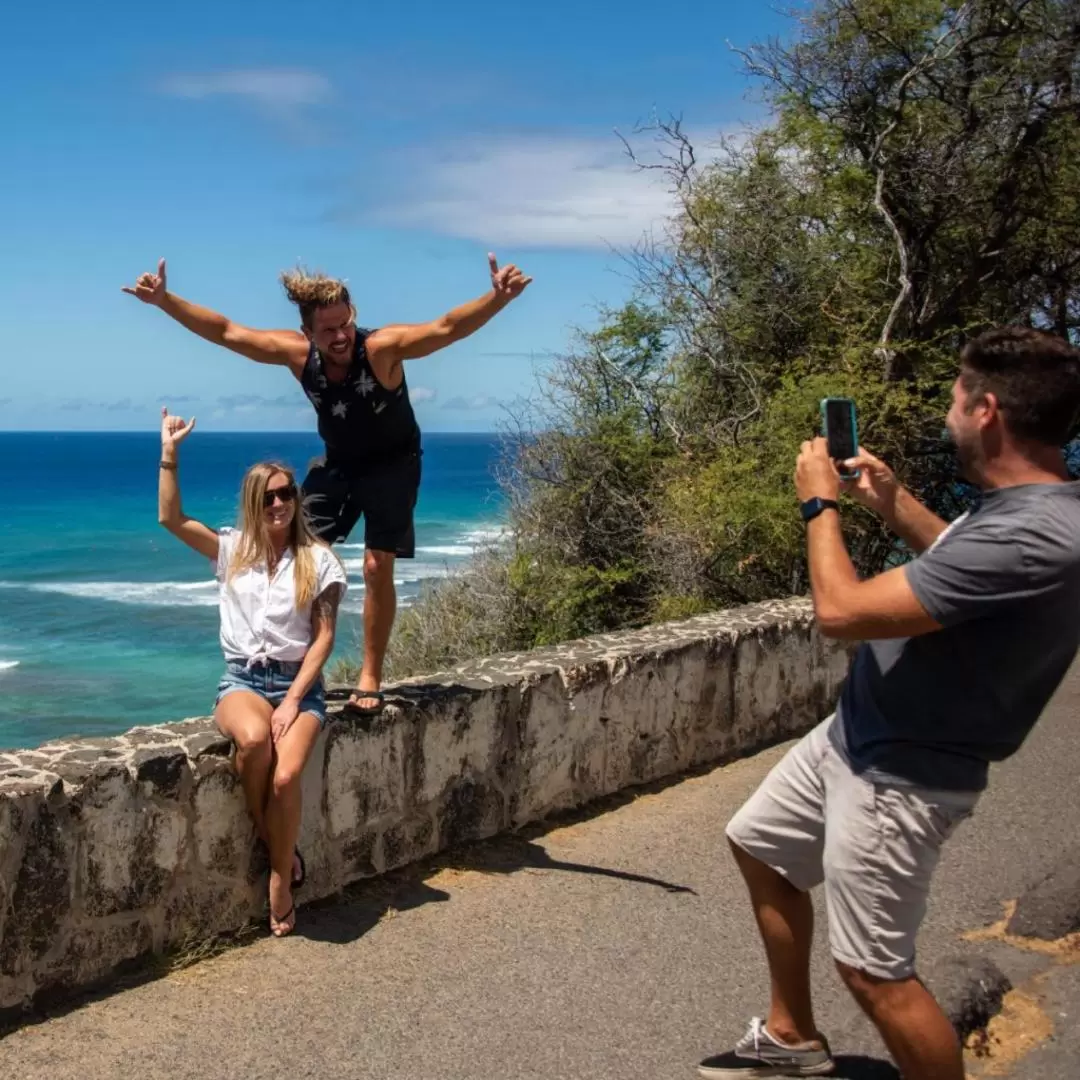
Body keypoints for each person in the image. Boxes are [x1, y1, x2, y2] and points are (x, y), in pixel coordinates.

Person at [701, 326, 1080, 1079]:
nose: (947, 416)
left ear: (988, 411)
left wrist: (821, 508)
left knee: (877, 974)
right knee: (760, 845)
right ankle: (790, 1037)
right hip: (857, 737)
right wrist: (895, 502)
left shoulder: (1036, 533)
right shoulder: (1025, 511)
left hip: (901, 775)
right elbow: (963, 574)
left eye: (954, 400)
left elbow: (842, 612)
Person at [125, 254, 531, 717]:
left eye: (345, 324)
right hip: (339, 465)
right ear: (309, 333)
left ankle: (370, 675)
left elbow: (445, 327)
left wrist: (497, 299)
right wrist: (164, 301)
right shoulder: (299, 356)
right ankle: (292, 668)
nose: (340, 337)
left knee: (378, 566)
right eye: (328, 330)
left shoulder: (380, 348)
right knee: (292, 551)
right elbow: (227, 332)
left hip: (394, 465)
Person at [157, 406, 347, 938]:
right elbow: (171, 519)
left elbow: (324, 639)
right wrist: (169, 454)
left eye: (287, 493)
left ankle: (279, 878)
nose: (280, 503)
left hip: (298, 686)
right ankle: (278, 854)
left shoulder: (319, 559)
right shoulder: (231, 550)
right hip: (242, 680)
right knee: (254, 740)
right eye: (268, 497)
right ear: (253, 504)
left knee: (286, 776)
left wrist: (292, 701)